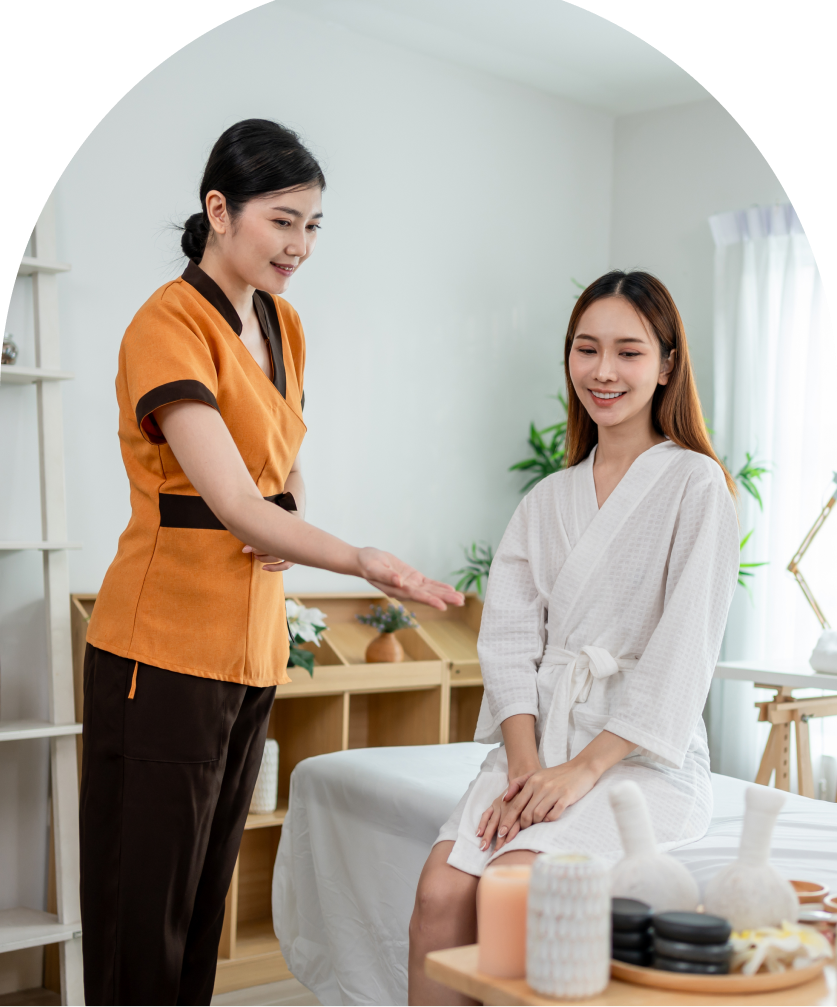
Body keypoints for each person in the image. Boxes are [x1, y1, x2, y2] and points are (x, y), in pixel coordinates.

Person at [80, 118, 462, 1007]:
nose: (299, 245)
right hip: (160, 648)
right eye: (283, 220)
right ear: (219, 210)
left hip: (249, 647)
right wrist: (364, 559)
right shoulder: (165, 324)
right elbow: (234, 502)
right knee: (147, 912)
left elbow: (280, 473)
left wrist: (278, 513)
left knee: (202, 905)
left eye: (314, 225)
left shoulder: (283, 325)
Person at [408, 270, 740, 1007]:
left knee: (514, 881)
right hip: (539, 745)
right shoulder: (544, 499)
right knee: (438, 894)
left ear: (666, 365)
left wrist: (581, 773)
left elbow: (683, 651)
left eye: (627, 352)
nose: (603, 371)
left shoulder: (696, 486)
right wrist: (526, 768)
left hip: (635, 756)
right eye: (585, 349)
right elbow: (506, 641)